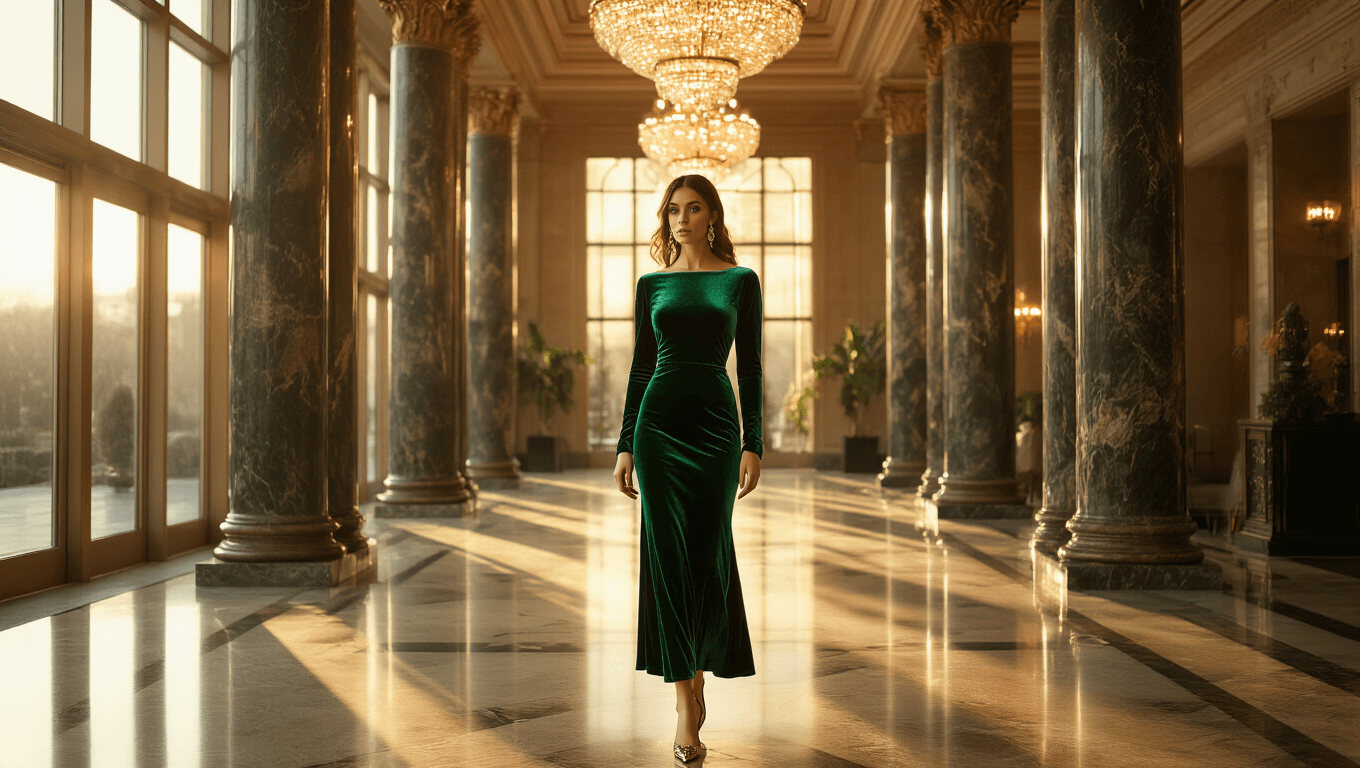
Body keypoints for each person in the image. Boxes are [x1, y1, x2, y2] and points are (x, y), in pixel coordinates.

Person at [612, 174, 764, 763]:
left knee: (707, 554)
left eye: (693, 208)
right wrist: (626, 443)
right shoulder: (650, 284)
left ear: (712, 216)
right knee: (667, 559)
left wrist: (754, 442)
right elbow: (639, 367)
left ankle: (700, 667)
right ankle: (683, 702)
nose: (681, 218)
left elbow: (749, 367)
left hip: (717, 430)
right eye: (673, 209)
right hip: (658, 429)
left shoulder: (740, 281)